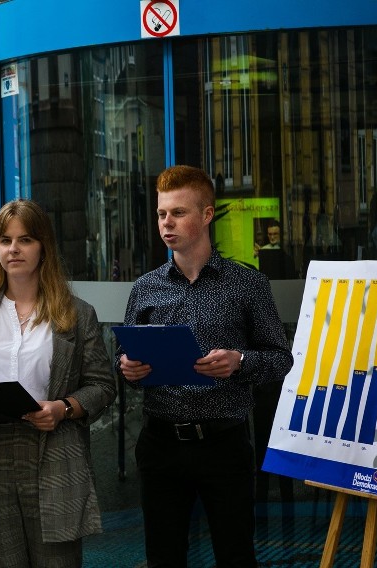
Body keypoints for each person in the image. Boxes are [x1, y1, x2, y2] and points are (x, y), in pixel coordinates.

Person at [117, 165, 293, 568]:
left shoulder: (247, 284)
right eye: (162, 213)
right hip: (160, 445)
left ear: (207, 215)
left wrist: (240, 361)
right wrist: (127, 368)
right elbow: (123, 361)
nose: (167, 222)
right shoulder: (145, 288)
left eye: (178, 212)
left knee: (235, 556)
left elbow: (281, 358)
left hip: (224, 446)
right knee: (163, 558)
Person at [0, 199, 116, 568]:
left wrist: (64, 408)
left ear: (44, 248)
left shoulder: (76, 312)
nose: (14, 249)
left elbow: (103, 385)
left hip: (54, 453)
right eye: (5, 240)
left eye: (25, 240)